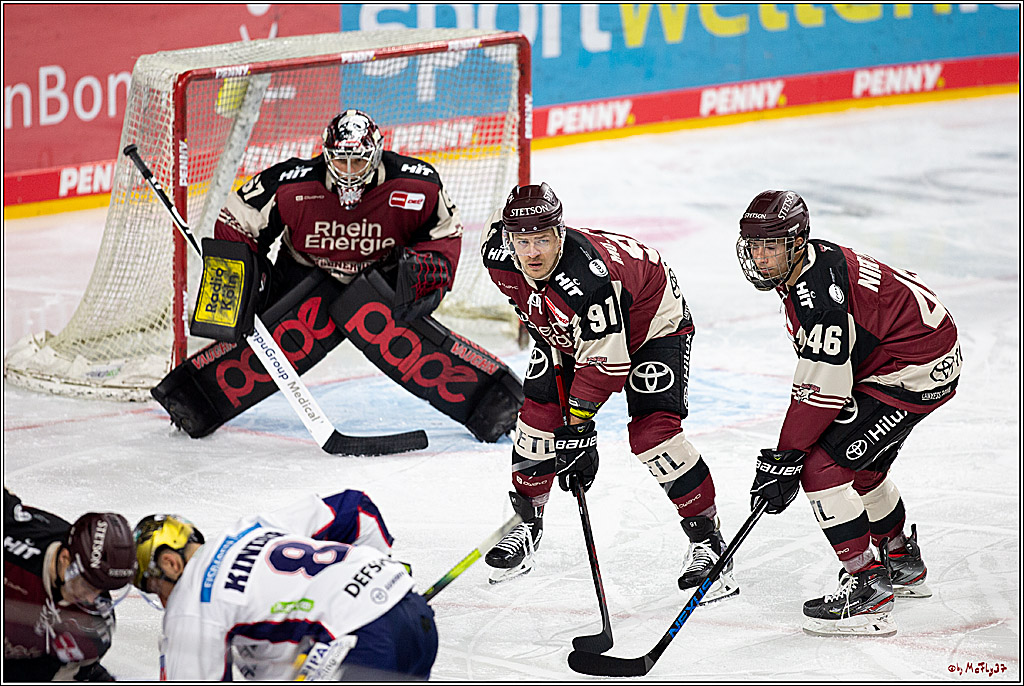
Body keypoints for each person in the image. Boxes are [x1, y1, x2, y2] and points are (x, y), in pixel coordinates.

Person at [151, 108, 523, 445]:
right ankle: (192, 399)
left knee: (407, 345)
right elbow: (235, 222)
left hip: (380, 280)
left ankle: (495, 403)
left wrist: (433, 275)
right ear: (326, 155)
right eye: (340, 160)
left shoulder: (417, 184)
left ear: (377, 152)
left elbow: (444, 234)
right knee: (275, 342)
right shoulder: (290, 183)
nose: (349, 170)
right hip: (302, 276)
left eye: (358, 159)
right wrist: (248, 279)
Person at [479, 182, 737, 603]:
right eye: (522, 242)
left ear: (560, 234)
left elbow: (607, 364)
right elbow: (533, 301)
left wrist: (579, 428)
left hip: (652, 321)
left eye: (543, 239)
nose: (533, 253)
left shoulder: (589, 279)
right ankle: (527, 523)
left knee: (654, 434)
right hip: (574, 327)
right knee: (538, 418)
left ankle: (710, 543)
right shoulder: (498, 257)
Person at [736, 189, 961, 636]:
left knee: (822, 468)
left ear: (797, 242)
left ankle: (867, 589)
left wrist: (785, 458)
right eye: (755, 245)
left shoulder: (818, 296)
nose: (761, 257)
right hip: (913, 357)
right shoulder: (817, 262)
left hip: (912, 370)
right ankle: (899, 560)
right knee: (863, 464)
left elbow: (821, 391)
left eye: (772, 245)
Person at [132, 490, 437, 680]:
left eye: (155, 589)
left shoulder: (191, 604)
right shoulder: (252, 527)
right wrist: (384, 579)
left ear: (171, 563)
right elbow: (357, 509)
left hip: (359, 647)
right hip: (413, 611)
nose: (161, 603)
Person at [3, 487, 137, 681]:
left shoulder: (94, 628)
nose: (92, 599)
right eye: (88, 585)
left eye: (103, 589)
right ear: (65, 559)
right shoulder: (13, 536)